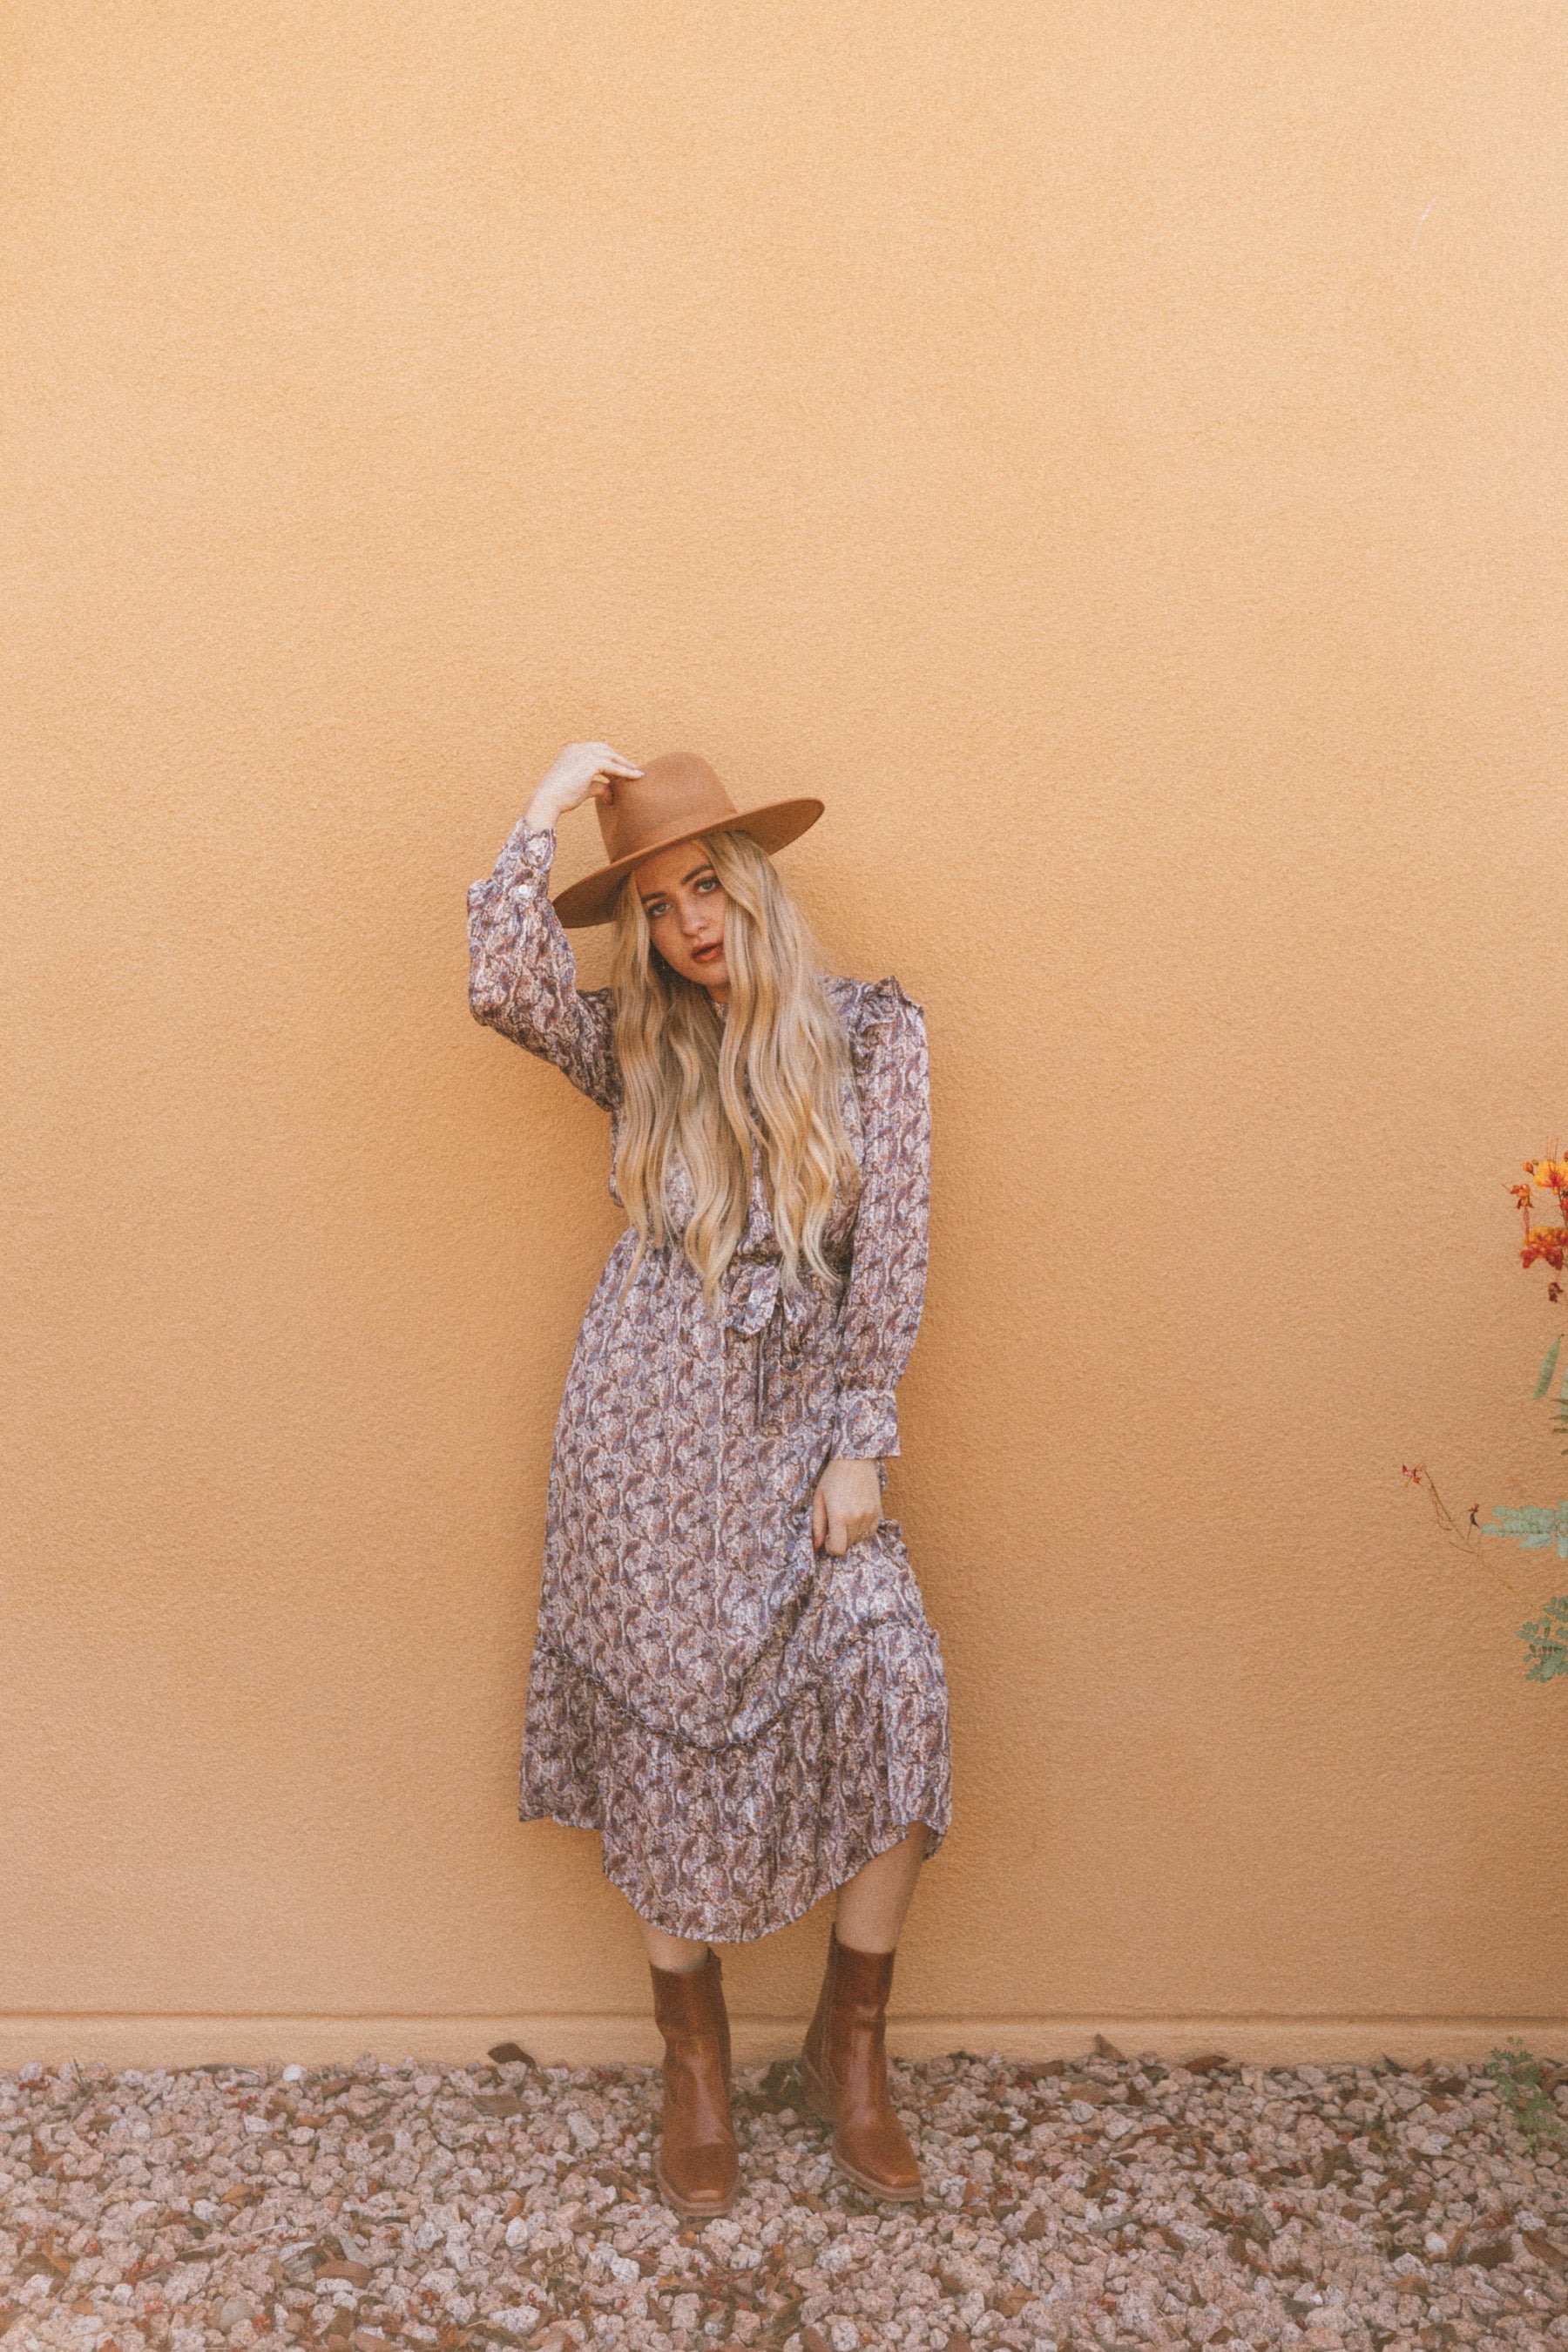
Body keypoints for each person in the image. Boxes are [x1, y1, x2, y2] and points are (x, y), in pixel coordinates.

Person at [467, 740, 953, 2215]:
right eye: (656, 903)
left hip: (803, 1433)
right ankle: (694, 2063)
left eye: (706, 886)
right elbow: (502, 983)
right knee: (665, 1743)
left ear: (753, 883)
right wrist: (544, 809)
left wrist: (862, 1437)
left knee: (898, 1693)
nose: (687, 921)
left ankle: (848, 2048)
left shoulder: (873, 1034)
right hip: (644, 1438)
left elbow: (896, 1247)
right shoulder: (639, 1045)